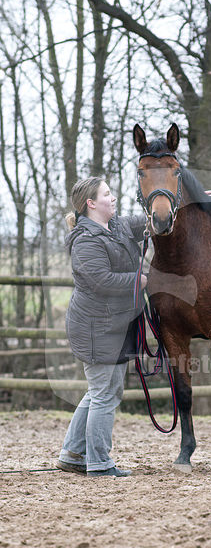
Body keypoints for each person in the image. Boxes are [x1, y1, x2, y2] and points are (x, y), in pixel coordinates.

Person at [56, 177, 146, 477]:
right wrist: (141, 281)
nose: (113, 197)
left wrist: (184, 202)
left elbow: (150, 221)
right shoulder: (85, 240)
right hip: (96, 328)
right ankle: (99, 462)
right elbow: (102, 281)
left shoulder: (116, 225)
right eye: (107, 194)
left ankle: (72, 453)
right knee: (105, 394)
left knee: (101, 391)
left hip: (115, 325)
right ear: (91, 203)